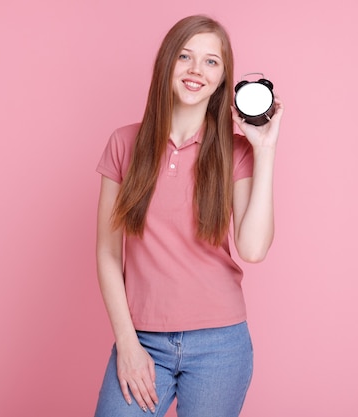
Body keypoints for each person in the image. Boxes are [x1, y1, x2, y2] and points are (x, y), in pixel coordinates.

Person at [93, 15, 283, 417]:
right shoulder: (124, 143)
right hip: (143, 340)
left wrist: (264, 150)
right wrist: (127, 343)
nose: (197, 70)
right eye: (185, 56)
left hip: (220, 346)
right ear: (167, 64)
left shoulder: (236, 151)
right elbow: (109, 254)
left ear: (222, 80)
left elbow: (252, 249)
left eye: (211, 62)